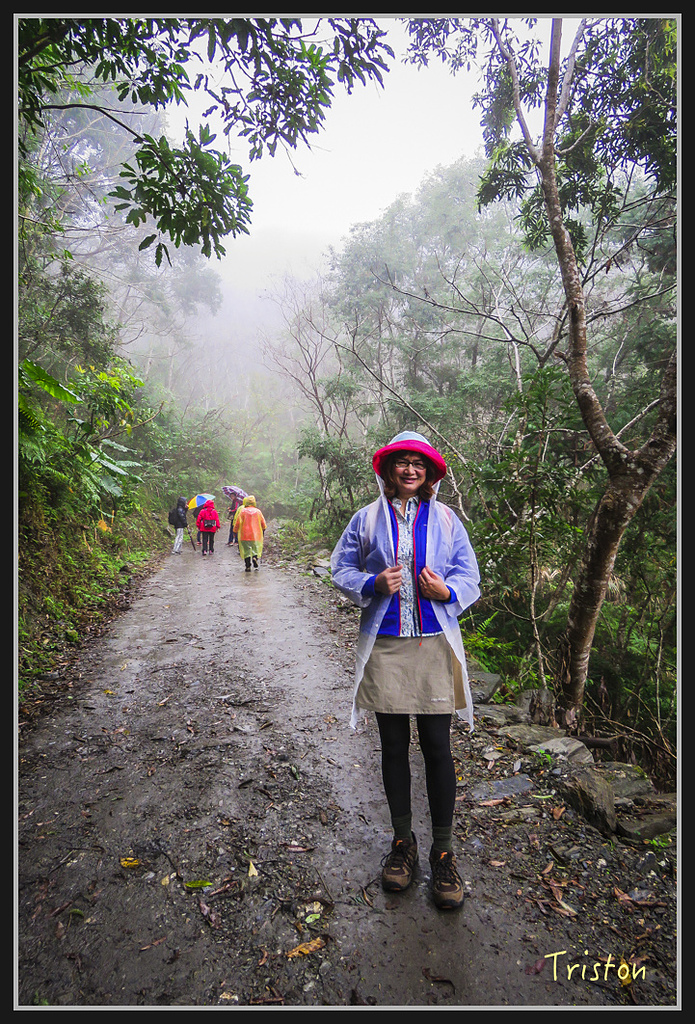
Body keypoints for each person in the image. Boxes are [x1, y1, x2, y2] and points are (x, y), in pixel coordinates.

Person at [330, 431, 480, 910]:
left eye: (419, 463)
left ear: (429, 471)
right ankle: (402, 843)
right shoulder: (366, 519)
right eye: (402, 462)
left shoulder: (447, 519)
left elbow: (469, 574)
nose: (411, 470)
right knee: (393, 746)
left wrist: (448, 592)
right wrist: (372, 582)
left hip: (434, 643)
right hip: (386, 644)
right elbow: (340, 569)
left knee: (437, 747)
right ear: (388, 470)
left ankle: (443, 851)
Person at [233, 495, 267, 571]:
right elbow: (263, 523)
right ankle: (254, 557)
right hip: (255, 535)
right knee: (255, 548)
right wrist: (264, 528)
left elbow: (238, 522)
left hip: (244, 534)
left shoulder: (242, 511)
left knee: (246, 550)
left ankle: (248, 565)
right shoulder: (258, 511)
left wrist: (235, 531)